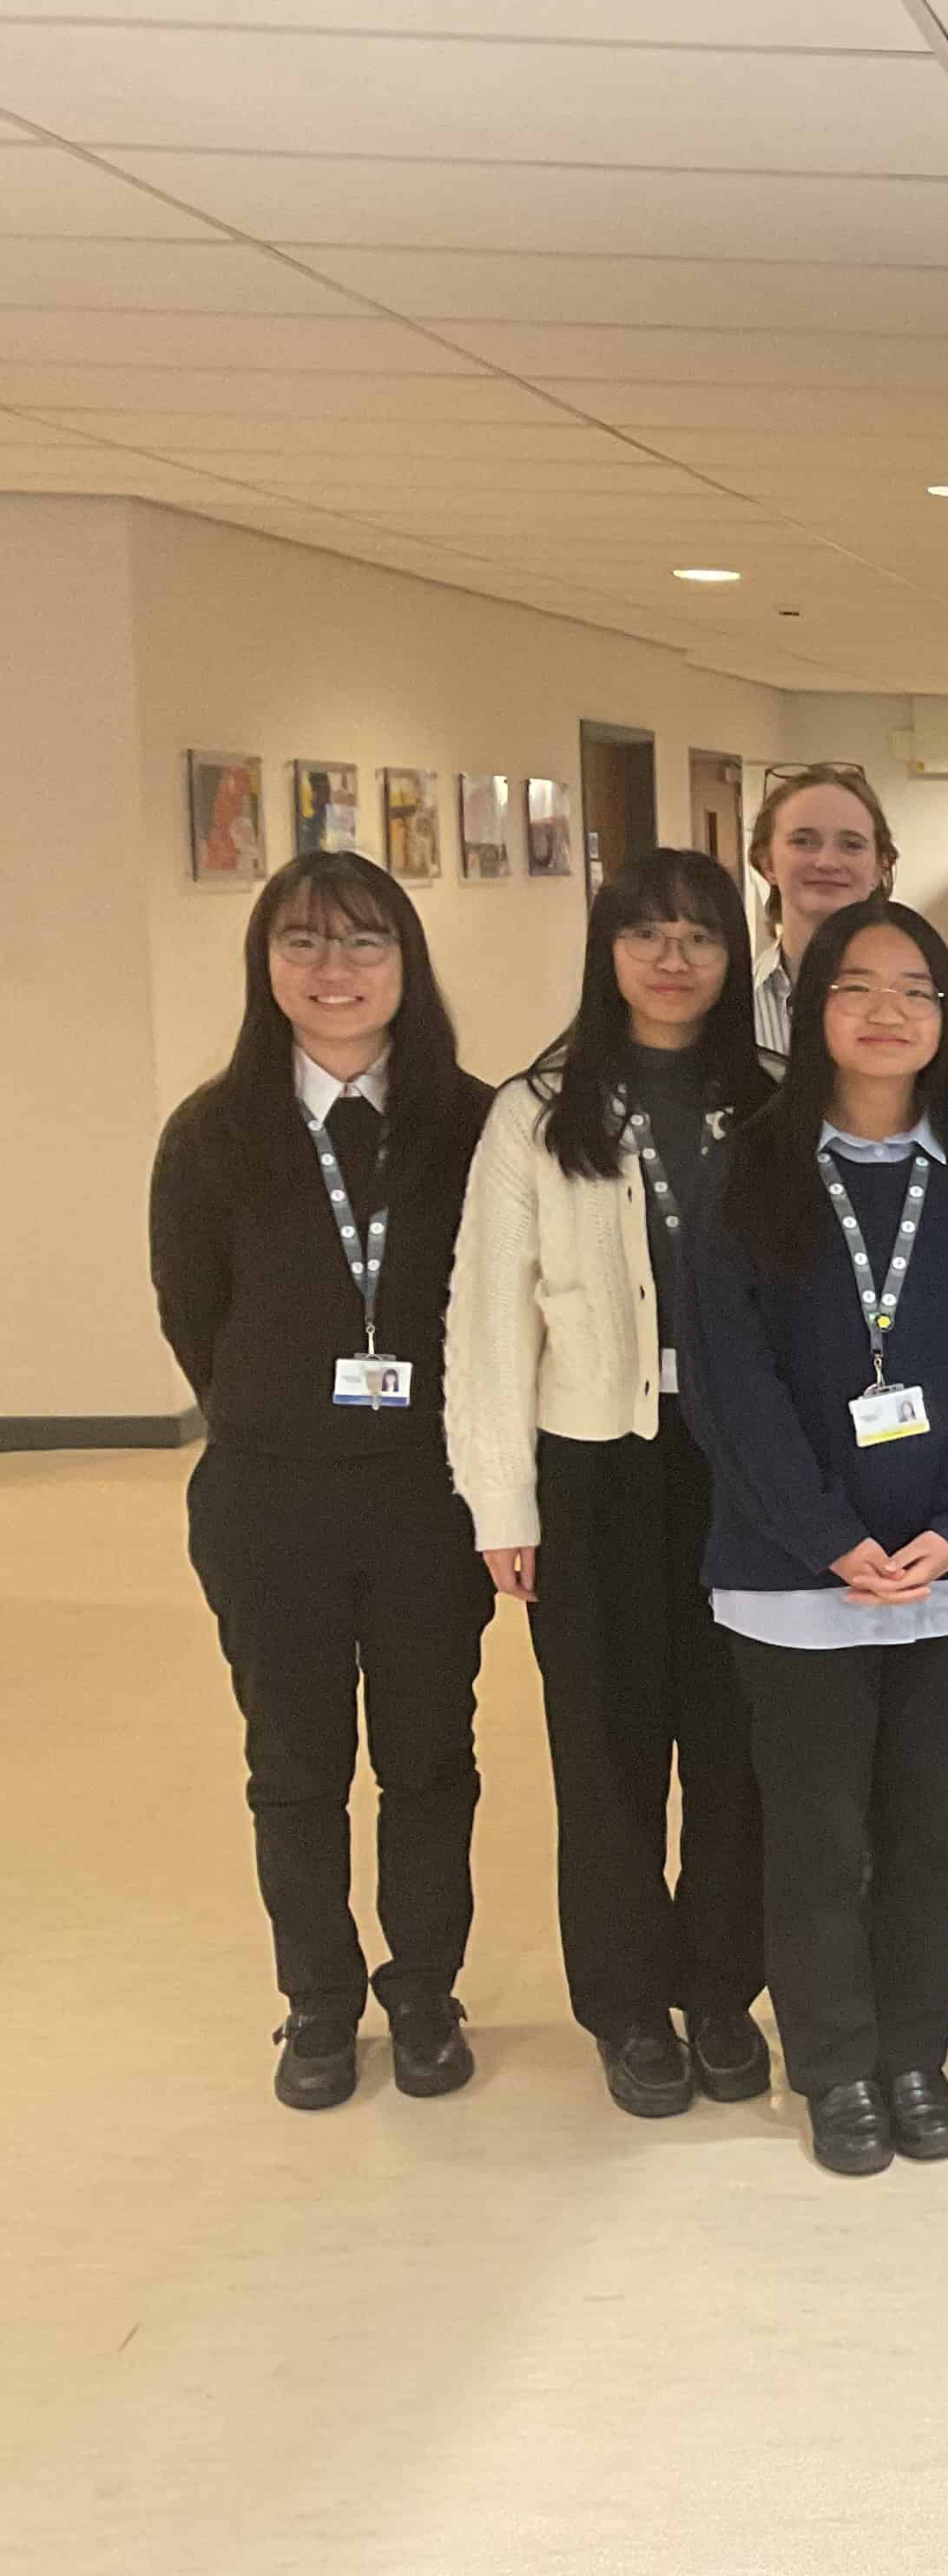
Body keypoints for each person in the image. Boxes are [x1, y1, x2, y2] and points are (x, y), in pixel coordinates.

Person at [683, 899, 948, 2177]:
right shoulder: (748, 1170)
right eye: (857, 986)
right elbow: (729, 1382)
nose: (888, 1012)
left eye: (917, 991)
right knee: (821, 1831)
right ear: (813, 1007)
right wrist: (828, 1536)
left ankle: (914, 2052)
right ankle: (833, 2064)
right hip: (797, 1573)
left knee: (933, 1829)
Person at [151, 854, 497, 2111]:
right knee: (293, 1763)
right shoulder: (215, 1130)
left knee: (428, 1755)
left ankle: (423, 1989)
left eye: (363, 945)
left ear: (407, 963)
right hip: (271, 1498)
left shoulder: (471, 1121)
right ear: (265, 967)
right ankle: (317, 1999)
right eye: (303, 944)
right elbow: (195, 1313)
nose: (333, 972)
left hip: (423, 1496)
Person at [446, 848, 779, 2119]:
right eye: (646, 933)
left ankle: (722, 1994)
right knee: (606, 1753)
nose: (674, 956)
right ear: (608, 951)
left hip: (744, 1472)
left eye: (699, 934)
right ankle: (630, 2007)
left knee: (736, 1747)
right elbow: (485, 1324)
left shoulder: (771, 1097)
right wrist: (501, 1506)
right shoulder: (538, 1110)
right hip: (594, 1472)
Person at [745, 762, 897, 1050]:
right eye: (803, 841)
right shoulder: (730, 1005)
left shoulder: (943, 1005)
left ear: (880, 866)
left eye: (851, 845)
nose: (827, 862)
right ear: (767, 862)